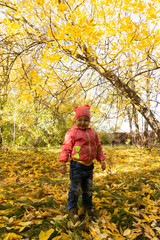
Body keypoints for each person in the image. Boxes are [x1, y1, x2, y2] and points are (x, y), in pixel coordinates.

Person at [59, 105, 106, 220]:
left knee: (88, 188)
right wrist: (63, 162)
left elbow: (98, 147)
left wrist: (102, 160)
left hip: (89, 166)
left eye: (86, 120)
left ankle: (87, 206)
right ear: (76, 120)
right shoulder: (72, 132)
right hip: (77, 166)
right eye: (80, 120)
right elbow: (66, 147)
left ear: (89, 121)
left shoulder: (93, 133)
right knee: (75, 189)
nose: (83, 123)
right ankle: (72, 208)